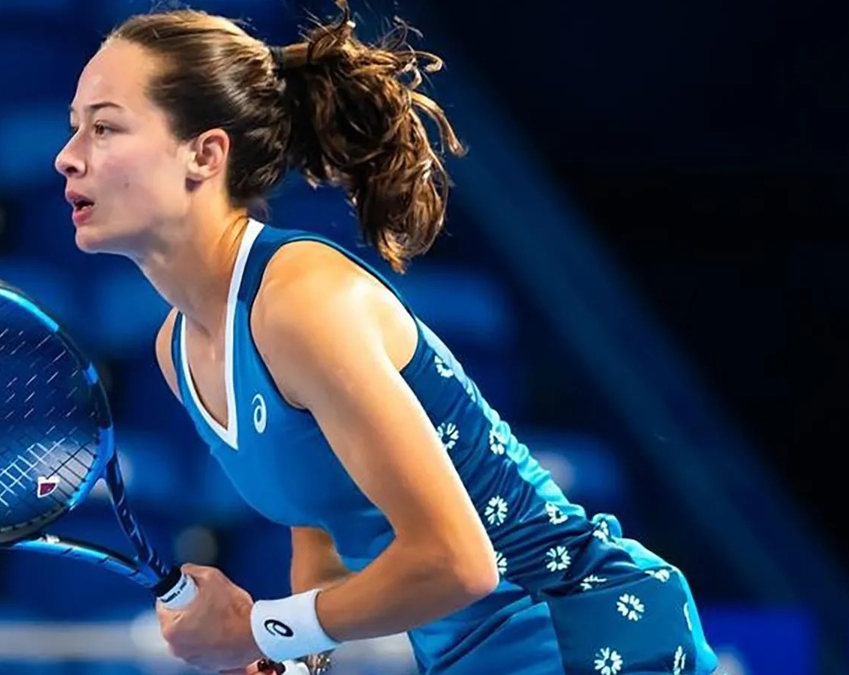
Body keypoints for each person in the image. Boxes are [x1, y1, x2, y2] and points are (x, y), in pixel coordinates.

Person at [53, 1, 720, 673]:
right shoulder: (181, 349)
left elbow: (458, 561)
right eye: (74, 127)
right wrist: (295, 659)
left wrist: (258, 630)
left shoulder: (300, 302)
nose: (67, 158)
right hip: (473, 653)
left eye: (104, 128)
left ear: (205, 154)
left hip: (580, 625)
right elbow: (321, 528)